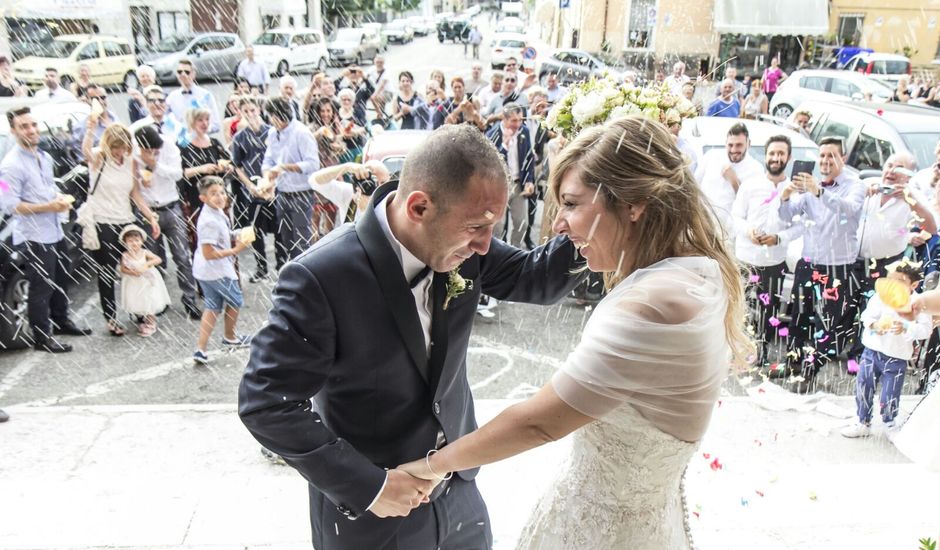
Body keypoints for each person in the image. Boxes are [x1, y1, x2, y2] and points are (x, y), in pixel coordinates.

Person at [397, 115, 749, 550]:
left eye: (571, 203)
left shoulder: (652, 305)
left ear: (633, 203)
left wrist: (429, 468)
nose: (559, 225)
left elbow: (537, 423)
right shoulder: (698, 274)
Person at [238, 124, 586, 550]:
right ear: (419, 207)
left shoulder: (461, 241)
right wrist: (372, 486)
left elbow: (537, 279)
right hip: (375, 515)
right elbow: (266, 402)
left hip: (460, 492)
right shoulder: (321, 277)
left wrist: (598, 208)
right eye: (477, 227)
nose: (484, 246)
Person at [0, 106, 90, 353]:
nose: (31, 130)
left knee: (61, 278)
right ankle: (42, 338)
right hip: (34, 236)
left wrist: (58, 198)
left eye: (32, 125)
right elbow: (9, 205)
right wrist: (49, 205)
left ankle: (61, 321)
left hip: (55, 229)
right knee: (40, 287)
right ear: (14, 131)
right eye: (24, 127)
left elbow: (47, 189)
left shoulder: (44, 157)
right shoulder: (9, 167)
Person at [779, 136, 865, 392]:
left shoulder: (854, 185)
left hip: (837, 267)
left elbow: (849, 210)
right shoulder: (810, 185)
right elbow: (787, 216)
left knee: (828, 324)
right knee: (799, 318)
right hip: (809, 263)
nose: (825, 161)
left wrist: (819, 191)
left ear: (843, 158)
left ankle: (811, 369)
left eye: (831, 156)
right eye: (822, 156)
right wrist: (784, 196)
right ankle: (793, 364)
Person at [81, 121, 161, 336]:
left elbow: (135, 193)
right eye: (116, 146)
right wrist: (91, 126)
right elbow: (86, 151)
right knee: (107, 272)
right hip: (102, 220)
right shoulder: (99, 158)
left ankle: (140, 312)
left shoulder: (131, 162)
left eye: (124, 146)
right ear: (108, 144)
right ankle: (111, 318)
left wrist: (151, 217)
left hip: (125, 219)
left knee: (136, 267)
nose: (120, 151)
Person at [731, 135, 801, 366]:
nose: (776, 158)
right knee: (739, 307)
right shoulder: (751, 185)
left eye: (781, 153)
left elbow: (801, 226)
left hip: (774, 262)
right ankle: (737, 349)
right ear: (766, 155)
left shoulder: (796, 190)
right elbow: (735, 217)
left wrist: (779, 238)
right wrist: (749, 231)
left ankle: (761, 352)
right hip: (746, 259)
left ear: (788, 157)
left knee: (768, 311)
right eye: (772, 153)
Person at [841, 261, 931, 438]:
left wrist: (906, 327)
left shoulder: (918, 303)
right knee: (864, 387)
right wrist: (874, 324)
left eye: (899, 281)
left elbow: (926, 330)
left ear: (913, 285)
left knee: (890, 394)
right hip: (871, 351)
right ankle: (863, 421)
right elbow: (866, 316)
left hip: (897, 357)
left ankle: (889, 423)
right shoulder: (880, 297)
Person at [130, 108, 202, 320]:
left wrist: (155, 165)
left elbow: (178, 174)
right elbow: (133, 188)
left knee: (182, 255)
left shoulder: (168, 145)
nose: (152, 153)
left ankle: (189, 299)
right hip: (147, 210)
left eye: (155, 150)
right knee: (154, 258)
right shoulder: (134, 151)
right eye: (148, 151)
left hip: (171, 207)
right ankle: (157, 301)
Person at [191, 176, 252, 365]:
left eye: (222, 192)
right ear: (203, 198)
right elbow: (209, 252)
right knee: (235, 300)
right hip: (217, 271)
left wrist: (237, 234)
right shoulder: (209, 220)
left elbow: (221, 236)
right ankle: (230, 336)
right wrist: (236, 250)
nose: (220, 197)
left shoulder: (216, 212)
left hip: (205, 272)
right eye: (214, 194)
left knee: (212, 306)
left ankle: (201, 348)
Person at [231, 97, 284, 282]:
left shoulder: (272, 133)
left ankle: (282, 262)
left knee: (279, 228)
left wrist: (272, 183)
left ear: (259, 110)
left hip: (273, 188)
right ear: (241, 113)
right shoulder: (239, 138)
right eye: (246, 111)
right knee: (254, 230)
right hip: (253, 190)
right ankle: (261, 267)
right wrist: (250, 185)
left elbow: (280, 159)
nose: (250, 114)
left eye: (253, 110)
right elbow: (237, 166)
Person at [262, 97, 320, 259]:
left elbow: (313, 164)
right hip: (282, 193)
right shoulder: (273, 133)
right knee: (286, 237)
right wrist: (267, 177)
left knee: (302, 240)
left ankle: (305, 274)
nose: (270, 120)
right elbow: (268, 159)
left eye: (271, 116)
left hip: (301, 193)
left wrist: (284, 168)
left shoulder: (302, 133)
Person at [178, 108, 232, 251]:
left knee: (224, 238)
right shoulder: (183, 142)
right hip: (196, 199)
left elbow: (229, 163)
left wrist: (223, 166)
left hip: (218, 197)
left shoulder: (214, 142)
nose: (204, 123)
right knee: (201, 239)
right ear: (192, 122)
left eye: (207, 120)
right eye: (200, 120)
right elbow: (179, 172)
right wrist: (201, 169)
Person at [487, 103, 536, 247]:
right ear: (504, 119)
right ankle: (498, 255)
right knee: (498, 226)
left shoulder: (524, 132)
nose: (518, 124)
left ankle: (515, 253)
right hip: (499, 187)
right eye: (514, 120)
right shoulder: (492, 135)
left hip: (518, 184)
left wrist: (529, 181)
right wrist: (505, 146)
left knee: (522, 223)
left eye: (520, 120)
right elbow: (491, 164)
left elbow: (529, 157)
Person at [694, 122, 763, 224]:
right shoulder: (711, 157)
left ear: (749, 144)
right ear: (725, 143)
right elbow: (694, 187)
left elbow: (753, 207)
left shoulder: (756, 169)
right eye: (730, 145)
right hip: (703, 226)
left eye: (739, 145)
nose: (734, 150)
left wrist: (735, 183)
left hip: (730, 233)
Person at [117, 224, 171, 337]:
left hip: (147, 283)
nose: (134, 243)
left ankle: (151, 323)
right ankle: (143, 319)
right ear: (125, 242)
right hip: (134, 282)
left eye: (137, 240)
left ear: (142, 241)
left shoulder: (144, 252)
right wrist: (133, 272)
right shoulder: (125, 255)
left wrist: (146, 264)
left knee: (149, 301)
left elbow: (158, 259)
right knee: (138, 300)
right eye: (130, 241)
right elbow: (122, 268)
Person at [166, 59, 221, 134]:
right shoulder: (172, 97)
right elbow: (166, 120)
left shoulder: (206, 95)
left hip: (201, 140)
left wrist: (199, 130)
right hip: (179, 140)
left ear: (193, 74)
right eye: (179, 72)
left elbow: (216, 124)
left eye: (187, 72)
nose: (183, 74)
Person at [71, 84, 119, 161]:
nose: (100, 101)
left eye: (103, 97)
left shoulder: (115, 118)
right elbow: (83, 159)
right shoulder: (81, 127)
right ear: (87, 100)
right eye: (95, 99)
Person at [367, 56, 394, 124]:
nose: (379, 64)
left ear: (384, 63)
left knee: (374, 98)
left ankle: (380, 114)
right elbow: (365, 77)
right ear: (374, 62)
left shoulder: (386, 70)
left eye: (381, 62)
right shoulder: (372, 69)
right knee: (379, 104)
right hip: (378, 91)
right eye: (377, 62)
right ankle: (380, 116)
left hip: (388, 92)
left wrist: (374, 95)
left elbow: (382, 85)